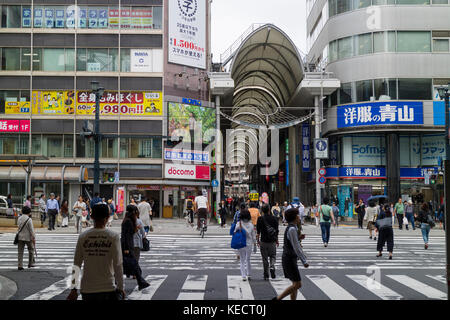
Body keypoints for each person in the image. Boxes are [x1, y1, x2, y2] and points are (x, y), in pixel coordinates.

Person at [67, 203, 125, 301]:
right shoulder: (113, 237)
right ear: (107, 217)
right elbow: (118, 264)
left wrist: (73, 289)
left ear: (92, 217)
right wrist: (120, 287)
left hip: (87, 288)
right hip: (107, 287)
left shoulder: (83, 236)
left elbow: (76, 264)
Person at [273, 208, 309, 300]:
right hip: (289, 259)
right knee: (298, 284)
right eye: (297, 215)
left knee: (295, 284)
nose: (299, 217)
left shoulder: (292, 227)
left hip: (289, 258)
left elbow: (293, 241)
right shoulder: (292, 229)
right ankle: (278, 298)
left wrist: (299, 237)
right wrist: (304, 260)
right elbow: (297, 247)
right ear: (294, 217)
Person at [121, 205, 150, 290]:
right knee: (134, 264)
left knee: (133, 264)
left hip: (129, 245)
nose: (137, 212)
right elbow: (125, 235)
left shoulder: (128, 220)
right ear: (133, 212)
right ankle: (141, 282)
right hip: (128, 246)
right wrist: (126, 248)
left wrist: (135, 229)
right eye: (136, 211)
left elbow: (129, 233)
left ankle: (141, 282)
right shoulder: (128, 221)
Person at [256, 204, 279, 280]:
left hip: (263, 241)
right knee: (273, 256)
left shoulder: (260, 219)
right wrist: (277, 240)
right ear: (269, 210)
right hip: (272, 241)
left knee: (264, 258)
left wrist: (258, 241)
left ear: (262, 211)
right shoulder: (275, 219)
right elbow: (276, 231)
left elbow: (258, 232)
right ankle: (272, 266)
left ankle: (266, 275)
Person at [234, 209, 256, 281]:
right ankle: (249, 274)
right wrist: (255, 245)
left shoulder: (239, 224)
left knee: (242, 260)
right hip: (249, 244)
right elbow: (253, 236)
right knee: (248, 259)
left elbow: (234, 233)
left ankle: (243, 276)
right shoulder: (251, 225)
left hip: (241, 243)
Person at [17, 206, 35, 270]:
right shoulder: (29, 219)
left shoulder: (19, 218)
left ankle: (20, 265)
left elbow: (18, 227)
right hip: (28, 237)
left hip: (20, 237)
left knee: (20, 252)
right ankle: (30, 263)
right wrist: (33, 237)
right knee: (31, 250)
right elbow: (31, 230)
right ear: (28, 212)